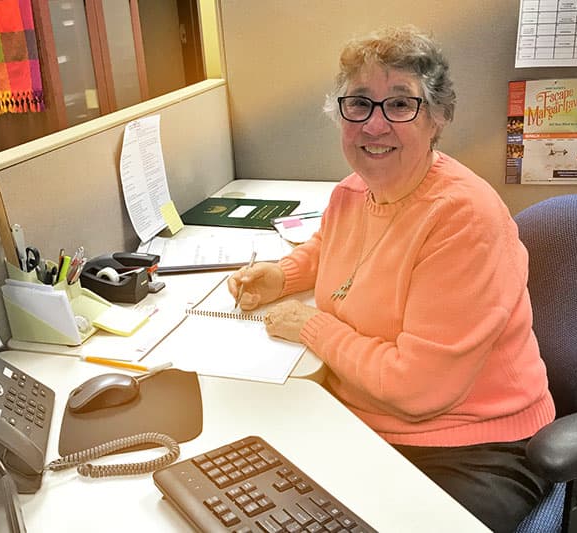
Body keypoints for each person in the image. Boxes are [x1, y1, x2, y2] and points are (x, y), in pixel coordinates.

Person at [228, 26, 555, 532]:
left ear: (438, 117)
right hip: (366, 421)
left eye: (401, 105)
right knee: (247, 496)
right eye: (359, 103)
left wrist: (311, 327)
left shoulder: (462, 219)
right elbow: (339, 246)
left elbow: (418, 387)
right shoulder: (354, 192)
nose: (374, 126)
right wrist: (283, 274)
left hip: (469, 446)